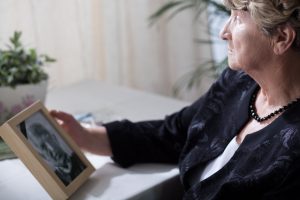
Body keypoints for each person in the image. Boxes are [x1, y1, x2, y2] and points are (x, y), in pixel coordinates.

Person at [50, 0, 300, 199]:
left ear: (281, 38)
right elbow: (178, 132)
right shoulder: (240, 83)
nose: (224, 32)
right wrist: (85, 136)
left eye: (237, 18)